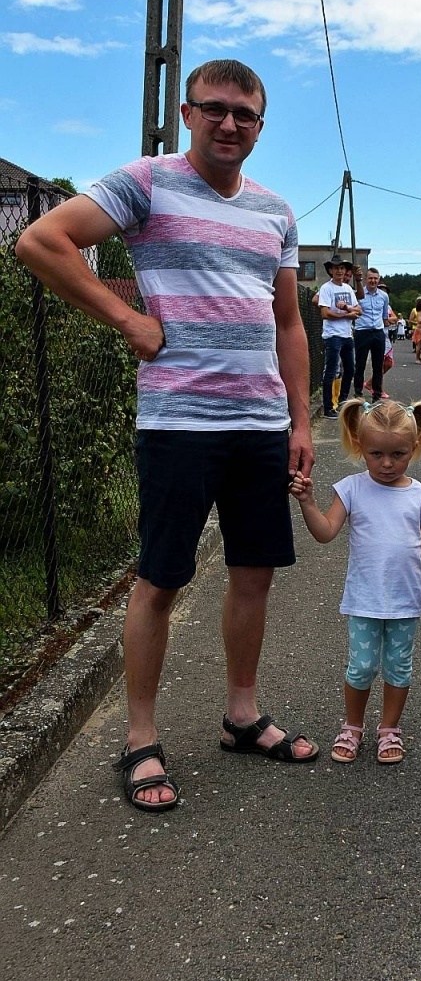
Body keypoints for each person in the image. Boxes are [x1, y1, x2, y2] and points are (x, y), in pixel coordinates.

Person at [15, 58, 319, 814]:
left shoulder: (277, 212)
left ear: (259, 126)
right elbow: (40, 241)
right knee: (161, 580)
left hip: (257, 424)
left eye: (243, 114)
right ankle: (140, 739)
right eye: (213, 109)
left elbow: (287, 322)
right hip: (179, 421)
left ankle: (241, 716)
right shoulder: (147, 182)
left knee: (255, 572)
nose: (228, 124)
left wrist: (301, 419)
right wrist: (125, 318)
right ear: (187, 114)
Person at [289, 398, 421, 765]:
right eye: (376, 454)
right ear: (359, 447)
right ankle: (353, 725)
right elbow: (326, 532)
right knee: (360, 666)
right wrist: (308, 502)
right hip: (364, 599)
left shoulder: (420, 496)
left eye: (398, 454)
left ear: (414, 446)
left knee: (398, 666)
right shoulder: (352, 489)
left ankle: (390, 728)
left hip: (405, 601)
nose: (387, 464)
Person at [318, 254, 362, 418]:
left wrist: (347, 308)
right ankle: (328, 407)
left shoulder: (348, 289)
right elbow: (325, 312)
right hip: (332, 335)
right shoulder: (326, 288)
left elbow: (359, 310)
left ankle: (342, 401)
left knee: (350, 369)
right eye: (336, 268)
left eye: (342, 268)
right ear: (330, 270)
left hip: (346, 335)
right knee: (330, 371)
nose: (339, 271)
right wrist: (347, 315)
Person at [354, 267, 392, 402]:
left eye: (375, 278)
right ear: (366, 279)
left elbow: (384, 316)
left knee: (378, 365)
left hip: (378, 332)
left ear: (379, 279)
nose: (373, 281)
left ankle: (377, 394)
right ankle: (358, 393)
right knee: (360, 364)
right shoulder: (358, 294)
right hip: (362, 331)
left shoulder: (384, 296)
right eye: (370, 278)